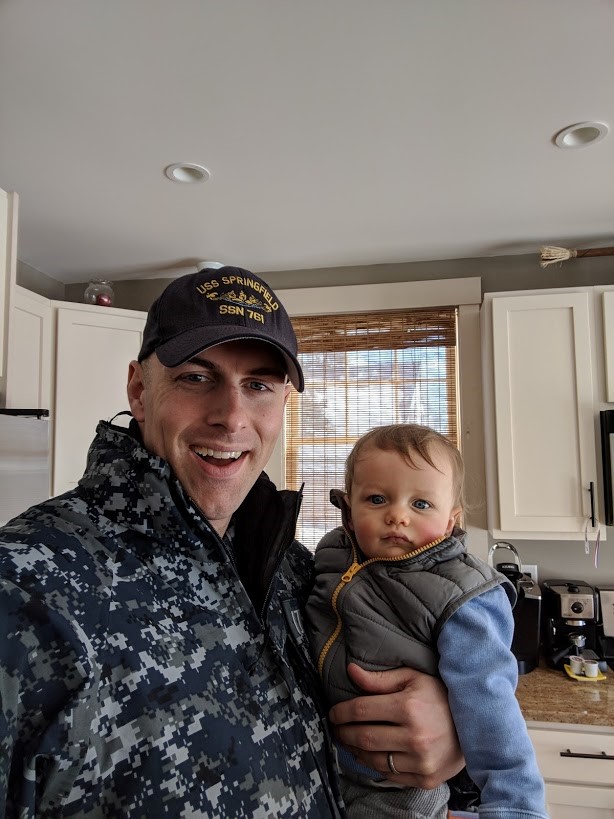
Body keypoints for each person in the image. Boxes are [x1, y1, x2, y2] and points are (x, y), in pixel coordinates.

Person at [0, 267, 464, 818]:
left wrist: (450, 726)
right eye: (197, 377)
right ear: (139, 390)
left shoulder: (296, 569)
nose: (231, 417)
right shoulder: (25, 589)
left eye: (259, 385)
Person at [306, 424, 549, 819]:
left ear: (451, 520)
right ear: (349, 508)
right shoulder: (331, 557)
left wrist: (516, 807)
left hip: (397, 789)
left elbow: (491, 708)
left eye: (420, 504)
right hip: (318, 767)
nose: (397, 516)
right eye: (377, 498)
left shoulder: (463, 594)